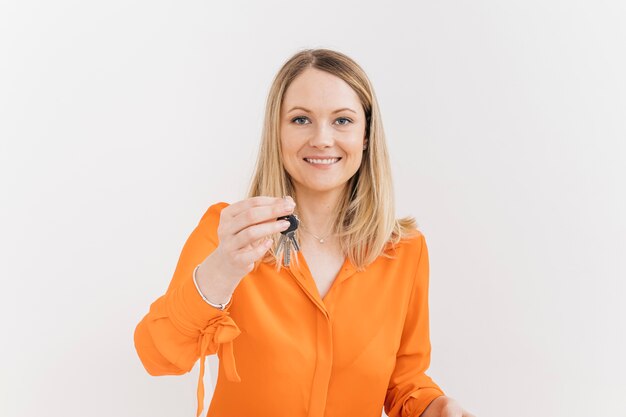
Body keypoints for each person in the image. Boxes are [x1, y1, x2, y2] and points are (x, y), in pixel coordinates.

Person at [133, 48, 475, 417]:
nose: (322, 139)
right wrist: (221, 271)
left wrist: (435, 407)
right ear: (276, 132)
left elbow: (404, 381)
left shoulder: (404, 250)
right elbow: (158, 355)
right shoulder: (230, 232)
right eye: (300, 120)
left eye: (342, 121)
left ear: (366, 134)